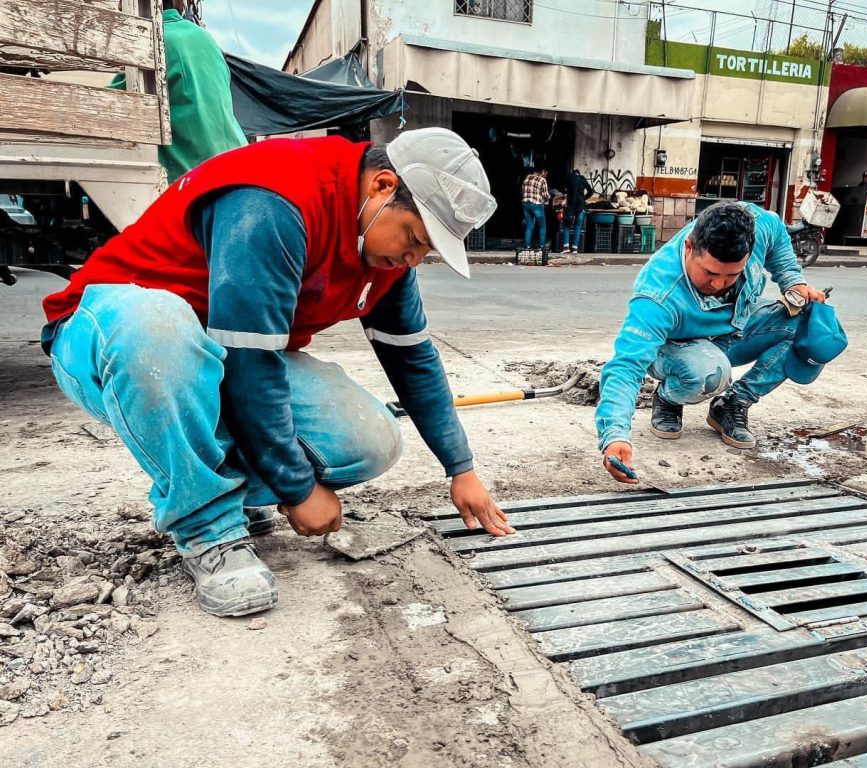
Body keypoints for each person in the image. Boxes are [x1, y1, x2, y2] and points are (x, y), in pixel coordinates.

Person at [40, 128, 514, 618]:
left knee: (372, 439)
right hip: (112, 339)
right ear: (383, 186)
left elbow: (412, 357)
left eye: (427, 251)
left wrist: (461, 468)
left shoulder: (384, 252)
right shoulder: (275, 199)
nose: (413, 259)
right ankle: (208, 528)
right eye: (414, 238)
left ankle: (227, 487)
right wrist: (298, 488)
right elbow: (249, 361)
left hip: (224, 354)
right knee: (158, 324)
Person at [596, 202, 834, 483]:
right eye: (709, 273)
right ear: (688, 248)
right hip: (676, 350)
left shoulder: (758, 225)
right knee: (710, 373)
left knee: (808, 324)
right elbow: (625, 367)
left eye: (732, 275)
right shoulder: (657, 296)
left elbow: (779, 237)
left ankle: (733, 403)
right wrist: (615, 436)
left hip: (733, 329)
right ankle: (668, 397)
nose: (720, 284)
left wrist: (792, 282)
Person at [112, 1, 246, 183]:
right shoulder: (205, 37)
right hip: (237, 164)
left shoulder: (151, 41)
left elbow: (111, 104)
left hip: (196, 178)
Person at [562, 169, 595, 254]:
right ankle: (575, 249)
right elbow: (591, 191)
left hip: (570, 206)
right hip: (581, 206)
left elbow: (559, 185)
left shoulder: (569, 178)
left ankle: (566, 248)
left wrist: (565, 194)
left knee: (566, 226)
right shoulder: (582, 179)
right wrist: (584, 198)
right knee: (578, 226)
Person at [521, 168, 550, 252]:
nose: (546, 175)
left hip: (526, 204)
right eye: (546, 173)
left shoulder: (527, 177)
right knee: (542, 226)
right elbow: (545, 195)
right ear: (543, 171)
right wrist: (549, 197)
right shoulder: (542, 180)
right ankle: (541, 247)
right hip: (536, 205)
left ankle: (527, 247)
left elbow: (523, 190)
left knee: (529, 226)